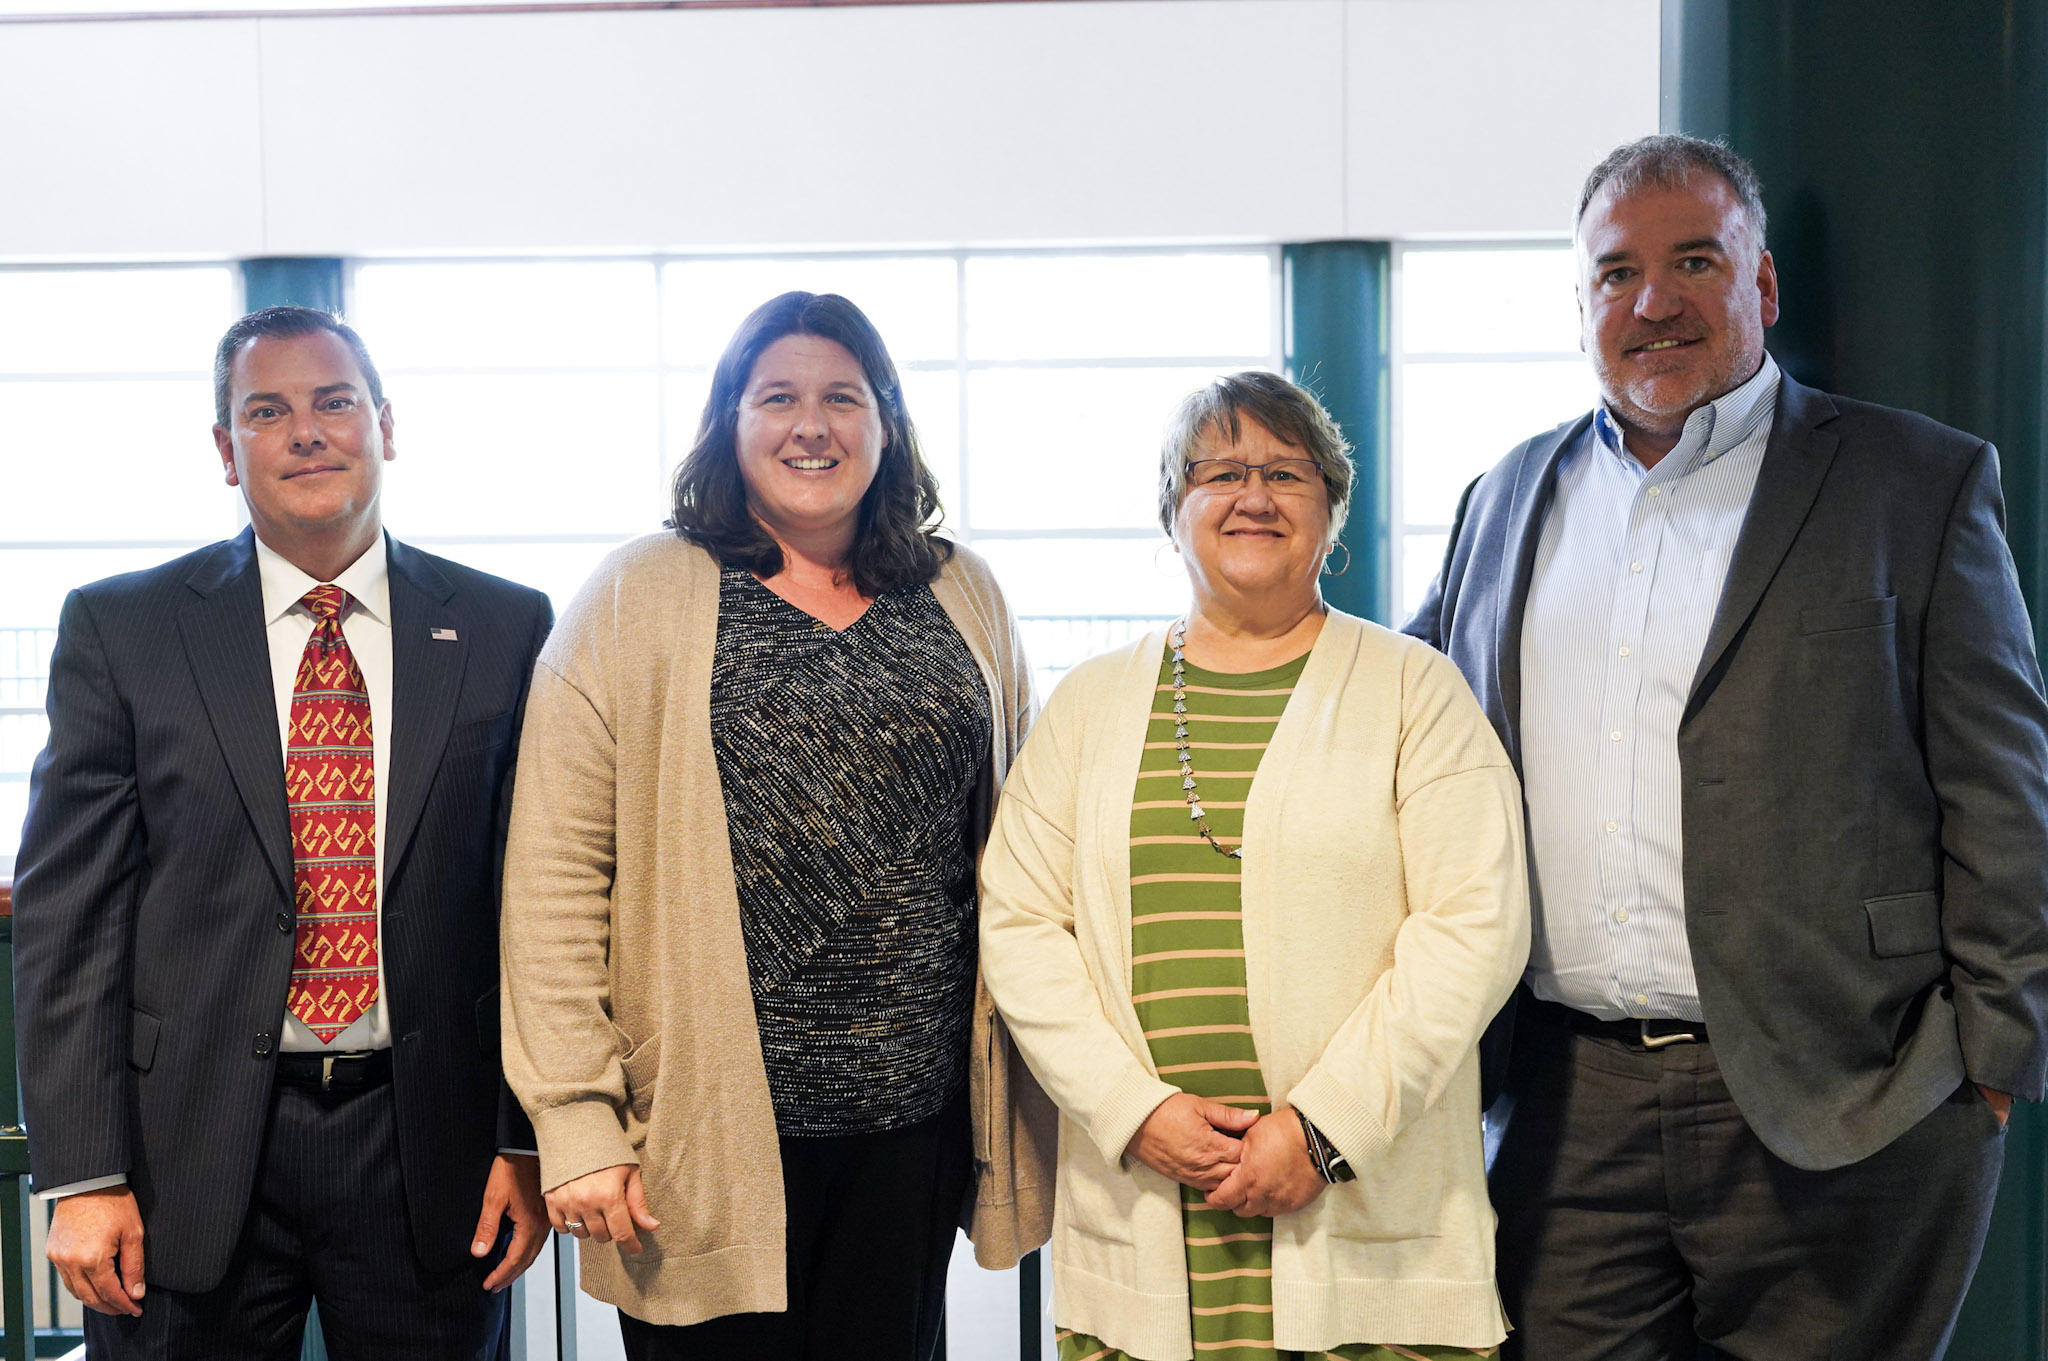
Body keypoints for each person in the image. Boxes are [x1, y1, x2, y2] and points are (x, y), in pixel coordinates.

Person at [1403, 133, 2048, 1360]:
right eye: (1613, 272)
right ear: (1579, 300)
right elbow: (1407, 727)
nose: (1650, 300)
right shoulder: (1504, 495)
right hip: (1559, 1098)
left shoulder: (1914, 480)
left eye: (1692, 260)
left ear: (1756, 285)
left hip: (1851, 1092)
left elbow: (2002, 788)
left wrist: (1990, 1060)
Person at [498, 290, 1055, 1360]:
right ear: (729, 422)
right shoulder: (635, 593)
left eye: (843, 396)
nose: (813, 424)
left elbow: (1021, 842)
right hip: (698, 1132)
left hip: (912, 1122)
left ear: (885, 424)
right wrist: (573, 1118)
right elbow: (554, 876)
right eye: (778, 397)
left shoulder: (963, 592)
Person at [12, 305, 553, 1358]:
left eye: (333, 400)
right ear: (226, 449)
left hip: (429, 1147)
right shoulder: (122, 630)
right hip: (185, 1154)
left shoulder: (505, 625)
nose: (307, 431)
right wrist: (83, 1172)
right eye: (268, 410)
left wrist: (524, 1138)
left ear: (385, 424)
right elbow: (67, 921)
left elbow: (538, 907)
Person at [978, 370, 1530, 1361]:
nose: (1253, 494)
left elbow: (1474, 927)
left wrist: (1321, 1129)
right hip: (1148, 1213)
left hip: (1362, 1221)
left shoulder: (1415, 691)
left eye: (1286, 471)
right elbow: (1017, 924)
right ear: (1171, 507)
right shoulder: (1089, 705)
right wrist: (1130, 1108)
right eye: (1219, 471)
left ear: (1330, 509)